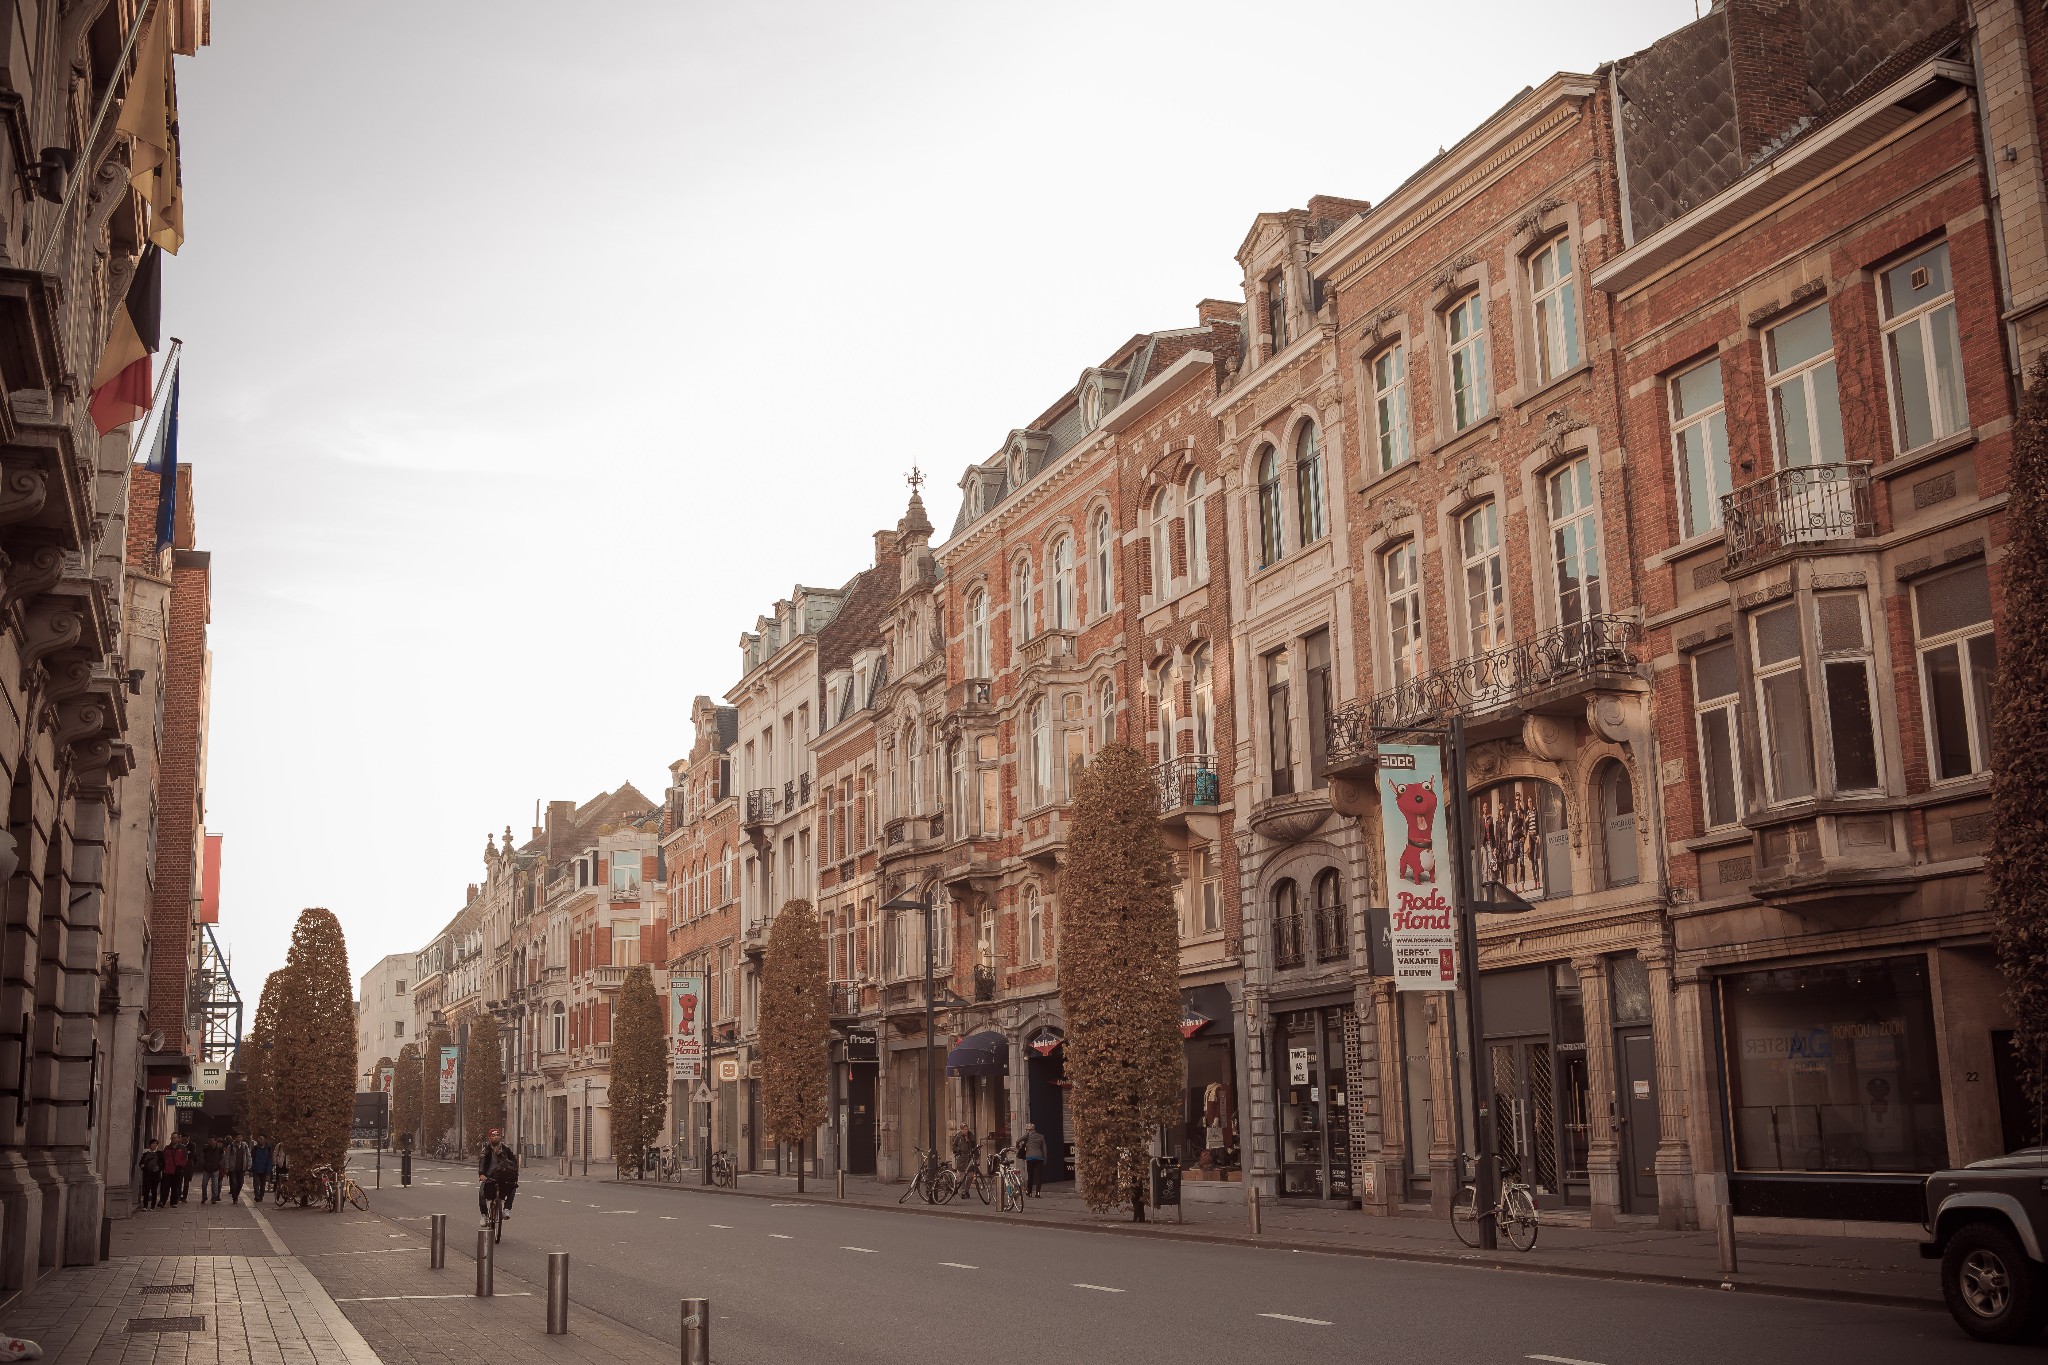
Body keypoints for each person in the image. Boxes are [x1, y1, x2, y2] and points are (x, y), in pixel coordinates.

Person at [477, 1128, 518, 1228]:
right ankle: (484, 1215)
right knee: (482, 1194)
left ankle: (506, 1209)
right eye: (493, 1135)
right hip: (489, 1176)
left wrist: (514, 1173)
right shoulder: (486, 1149)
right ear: (490, 1137)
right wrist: (482, 1174)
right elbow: (482, 1162)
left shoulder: (506, 1149)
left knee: (513, 1187)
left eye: (497, 1135)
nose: (496, 1137)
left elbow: (513, 1162)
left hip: (504, 1175)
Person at [1021, 1122, 1047, 1198]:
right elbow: (1044, 1149)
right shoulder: (1041, 1136)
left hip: (1030, 1158)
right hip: (1039, 1158)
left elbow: (1018, 1141)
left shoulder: (1027, 1136)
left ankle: (1029, 1192)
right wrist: (1045, 1158)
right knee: (1038, 1176)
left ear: (1028, 1130)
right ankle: (1038, 1193)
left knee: (1030, 1176)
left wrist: (1017, 1147)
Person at [161, 1136, 188, 1205]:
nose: (173, 1139)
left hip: (177, 1169)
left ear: (178, 1139)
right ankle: (163, 1201)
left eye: (175, 1137)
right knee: (165, 1187)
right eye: (172, 1138)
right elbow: (163, 1158)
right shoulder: (167, 1148)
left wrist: (180, 1165)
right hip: (167, 1170)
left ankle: (174, 1202)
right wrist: (164, 1167)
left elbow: (185, 1158)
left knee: (175, 1187)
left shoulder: (182, 1148)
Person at [137, 1139, 164, 1211]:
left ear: (157, 1145)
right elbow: (141, 1164)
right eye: (152, 1143)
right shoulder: (145, 1154)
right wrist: (143, 1167)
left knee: (154, 1190)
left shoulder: (160, 1153)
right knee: (146, 1190)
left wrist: (158, 1168)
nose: (154, 1145)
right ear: (150, 1145)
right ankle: (145, 1206)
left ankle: (152, 1206)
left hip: (156, 1175)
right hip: (147, 1174)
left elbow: (163, 1164)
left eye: (155, 1144)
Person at [224, 1133, 250, 1204]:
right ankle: (234, 1198)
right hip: (233, 1168)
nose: (239, 1138)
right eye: (237, 1137)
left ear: (242, 1138)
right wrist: (226, 1167)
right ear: (235, 1138)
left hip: (242, 1168)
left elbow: (248, 1156)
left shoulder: (245, 1146)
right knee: (234, 1183)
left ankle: (236, 1194)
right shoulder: (231, 1146)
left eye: (240, 1137)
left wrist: (248, 1165)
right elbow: (227, 1157)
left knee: (241, 1183)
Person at [198, 1137, 224, 1204]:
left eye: (212, 1141)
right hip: (206, 1169)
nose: (211, 1142)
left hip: (215, 1169)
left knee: (215, 1184)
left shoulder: (220, 1149)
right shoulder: (206, 1148)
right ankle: (204, 1197)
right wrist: (204, 1164)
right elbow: (202, 1157)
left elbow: (222, 1158)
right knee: (204, 1184)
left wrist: (219, 1164)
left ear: (215, 1141)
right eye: (209, 1141)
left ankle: (214, 1198)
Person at [249, 1136, 273, 1203]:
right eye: (258, 1139)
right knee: (256, 1183)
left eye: (261, 1139)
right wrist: (251, 1167)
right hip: (256, 1168)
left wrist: (268, 1169)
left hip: (264, 1169)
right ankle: (257, 1195)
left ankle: (261, 1196)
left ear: (265, 1140)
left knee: (263, 1184)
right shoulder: (255, 1148)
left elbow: (270, 1159)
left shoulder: (268, 1148)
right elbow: (252, 1158)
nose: (259, 1140)